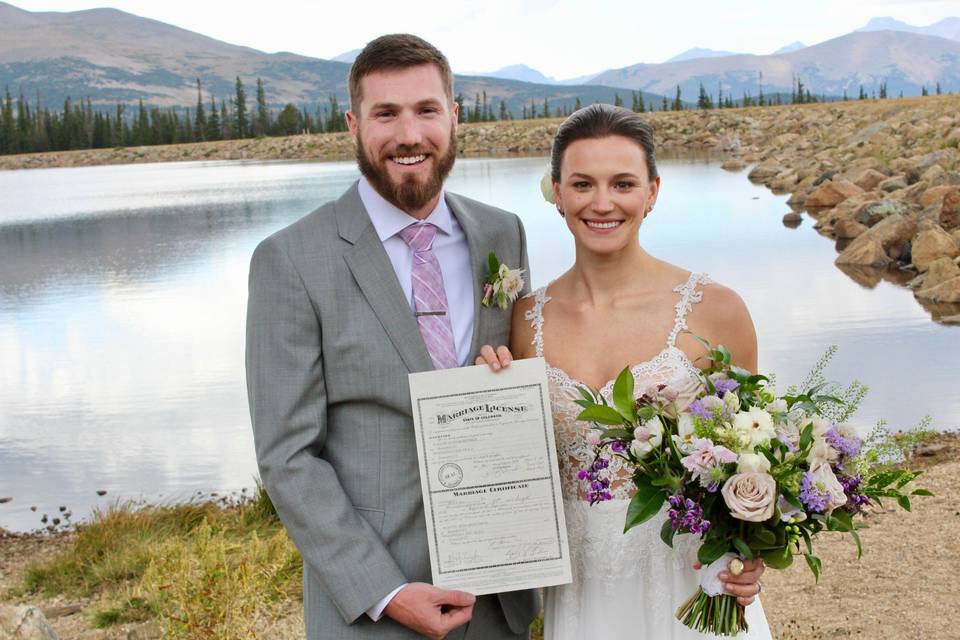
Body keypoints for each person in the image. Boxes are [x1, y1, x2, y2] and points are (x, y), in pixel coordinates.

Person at [246, 34, 537, 640]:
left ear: (454, 117)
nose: (409, 134)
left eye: (427, 110)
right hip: (374, 607)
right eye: (386, 114)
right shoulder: (291, 260)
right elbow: (288, 456)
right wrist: (386, 590)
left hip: (497, 593)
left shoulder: (501, 234)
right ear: (354, 124)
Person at [477, 104, 772, 639]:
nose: (602, 203)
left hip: (690, 587)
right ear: (558, 194)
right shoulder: (521, 322)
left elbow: (757, 458)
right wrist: (485, 392)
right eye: (583, 184)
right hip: (582, 596)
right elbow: (507, 469)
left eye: (624, 183)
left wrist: (750, 558)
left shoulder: (716, 310)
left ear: (653, 192)